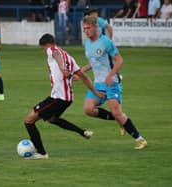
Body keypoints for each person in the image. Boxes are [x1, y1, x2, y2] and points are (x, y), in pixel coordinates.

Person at [23, 33, 106, 159]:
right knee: (53, 119)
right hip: (67, 99)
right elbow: (84, 77)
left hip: (58, 98)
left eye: (43, 49)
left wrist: (62, 67)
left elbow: (56, 55)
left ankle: (42, 153)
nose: (44, 52)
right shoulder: (69, 58)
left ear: (47, 45)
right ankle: (82, 132)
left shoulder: (53, 50)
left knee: (28, 121)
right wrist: (96, 92)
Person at [81, 16, 147, 149]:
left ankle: (140, 140)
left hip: (111, 83)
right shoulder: (87, 43)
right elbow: (94, 62)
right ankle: (120, 120)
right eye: (84, 29)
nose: (86, 31)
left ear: (95, 27)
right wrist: (82, 71)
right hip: (98, 83)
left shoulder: (106, 42)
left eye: (88, 28)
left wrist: (111, 76)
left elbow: (119, 60)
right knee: (88, 109)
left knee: (117, 113)